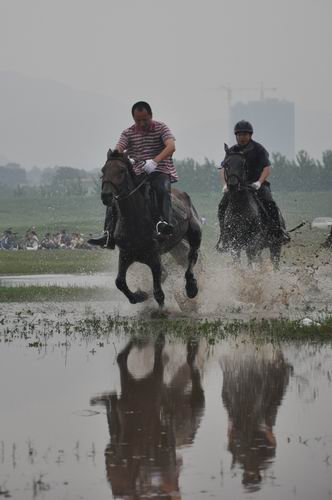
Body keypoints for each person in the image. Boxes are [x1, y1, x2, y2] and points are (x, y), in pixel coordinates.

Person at [89, 101, 177, 249]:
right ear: (133, 118)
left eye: (145, 120)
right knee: (117, 193)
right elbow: (119, 148)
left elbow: (171, 146)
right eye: (138, 120)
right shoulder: (128, 132)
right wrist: (117, 155)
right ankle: (109, 233)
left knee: (161, 190)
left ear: (151, 115)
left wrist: (154, 162)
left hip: (160, 170)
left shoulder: (162, 128)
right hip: (137, 172)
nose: (142, 123)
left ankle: (163, 225)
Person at [218, 120, 290, 243]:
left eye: (245, 134)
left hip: (257, 185)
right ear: (236, 136)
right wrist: (225, 185)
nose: (242, 137)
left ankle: (278, 232)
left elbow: (266, 169)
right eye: (239, 134)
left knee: (269, 202)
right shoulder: (231, 151)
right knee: (222, 206)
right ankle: (224, 236)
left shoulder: (258, 149)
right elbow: (223, 169)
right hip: (237, 186)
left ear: (250, 135)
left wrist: (259, 182)